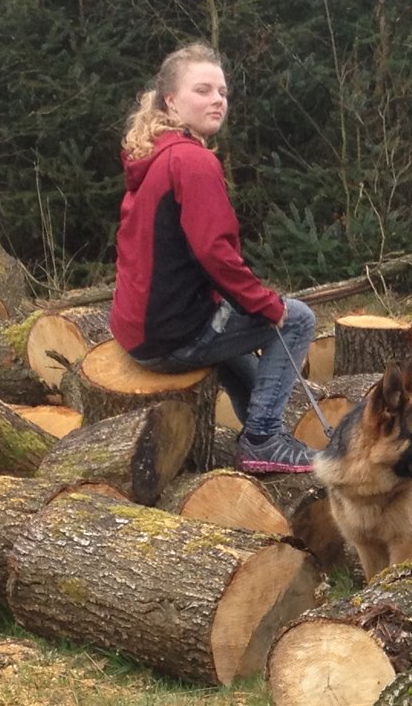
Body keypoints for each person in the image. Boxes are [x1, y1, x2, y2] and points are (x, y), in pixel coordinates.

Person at [111, 43, 319, 473]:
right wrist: (268, 305)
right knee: (297, 318)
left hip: (140, 330)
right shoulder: (192, 161)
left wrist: (245, 300)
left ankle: (255, 427)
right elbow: (215, 252)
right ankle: (262, 438)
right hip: (170, 337)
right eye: (203, 90)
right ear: (171, 100)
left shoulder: (156, 153)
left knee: (230, 314)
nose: (218, 100)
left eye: (222, 92)